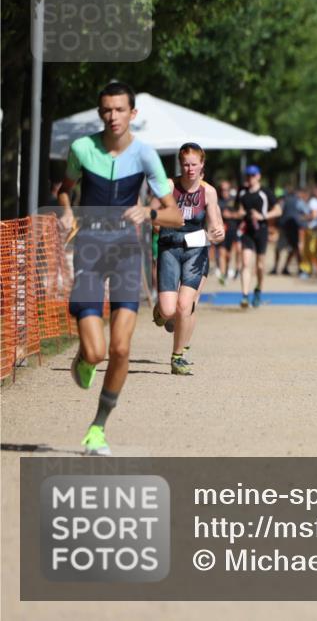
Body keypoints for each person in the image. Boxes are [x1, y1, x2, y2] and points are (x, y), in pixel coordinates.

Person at [57, 81, 184, 456]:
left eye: (119, 109)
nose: (113, 116)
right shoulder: (82, 148)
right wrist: (66, 211)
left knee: (122, 348)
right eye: (106, 110)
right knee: (96, 352)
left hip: (128, 253)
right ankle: (84, 358)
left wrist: (149, 211)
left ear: (133, 113)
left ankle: (97, 428)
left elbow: (174, 214)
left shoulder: (145, 156)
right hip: (91, 253)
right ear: (101, 113)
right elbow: (64, 187)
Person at [151, 143, 224, 375]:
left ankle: (177, 357)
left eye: (194, 164)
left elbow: (215, 225)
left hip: (195, 252)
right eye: (186, 164)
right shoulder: (168, 186)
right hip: (170, 249)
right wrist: (162, 221)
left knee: (186, 305)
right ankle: (161, 313)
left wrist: (218, 232)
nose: (190, 169)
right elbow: (152, 216)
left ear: (202, 164)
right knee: (168, 310)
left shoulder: (208, 192)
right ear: (180, 165)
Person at [237, 165, 282, 308]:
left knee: (260, 266)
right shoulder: (242, 192)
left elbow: (278, 210)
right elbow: (239, 209)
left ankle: (258, 289)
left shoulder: (265, 192)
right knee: (245, 262)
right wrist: (241, 214)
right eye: (248, 175)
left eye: (253, 175)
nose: (250, 178)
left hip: (261, 230)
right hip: (247, 231)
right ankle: (244, 296)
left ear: (258, 176)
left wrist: (263, 216)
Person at [216, 179, 242, 285]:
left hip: (234, 230)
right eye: (222, 190)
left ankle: (234, 270)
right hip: (222, 230)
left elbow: (241, 213)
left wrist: (231, 215)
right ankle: (222, 275)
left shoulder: (234, 200)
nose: (224, 191)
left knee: (230, 254)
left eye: (226, 189)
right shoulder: (217, 201)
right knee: (222, 253)